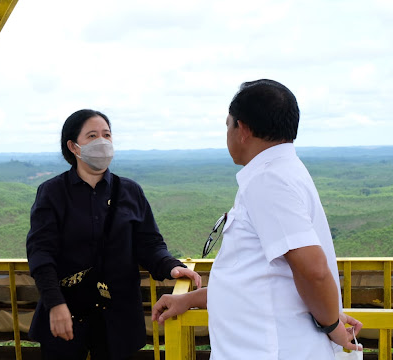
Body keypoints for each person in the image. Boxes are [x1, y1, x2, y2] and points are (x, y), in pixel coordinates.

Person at [151, 80, 363, 359]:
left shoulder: (268, 179)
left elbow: (314, 270)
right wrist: (189, 299)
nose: (227, 133)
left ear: (244, 130)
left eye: (229, 125)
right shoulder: (279, 171)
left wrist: (332, 325)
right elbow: (258, 279)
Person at [26, 109, 202, 360]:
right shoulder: (52, 193)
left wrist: (171, 266)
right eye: (92, 135)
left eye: (107, 135)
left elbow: (149, 243)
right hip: (66, 315)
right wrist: (55, 304)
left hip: (117, 319)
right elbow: (40, 253)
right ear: (73, 147)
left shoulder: (130, 191)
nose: (102, 142)